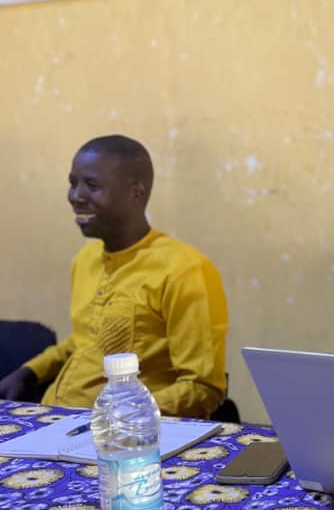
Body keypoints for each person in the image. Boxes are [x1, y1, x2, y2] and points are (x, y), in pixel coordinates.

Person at [0, 135, 228, 419]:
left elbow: (202, 387)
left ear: (136, 192)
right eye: (73, 183)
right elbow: (85, 342)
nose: (75, 196)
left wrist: (118, 416)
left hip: (125, 435)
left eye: (92, 186)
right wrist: (28, 373)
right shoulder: (86, 259)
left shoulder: (185, 270)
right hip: (55, 419)